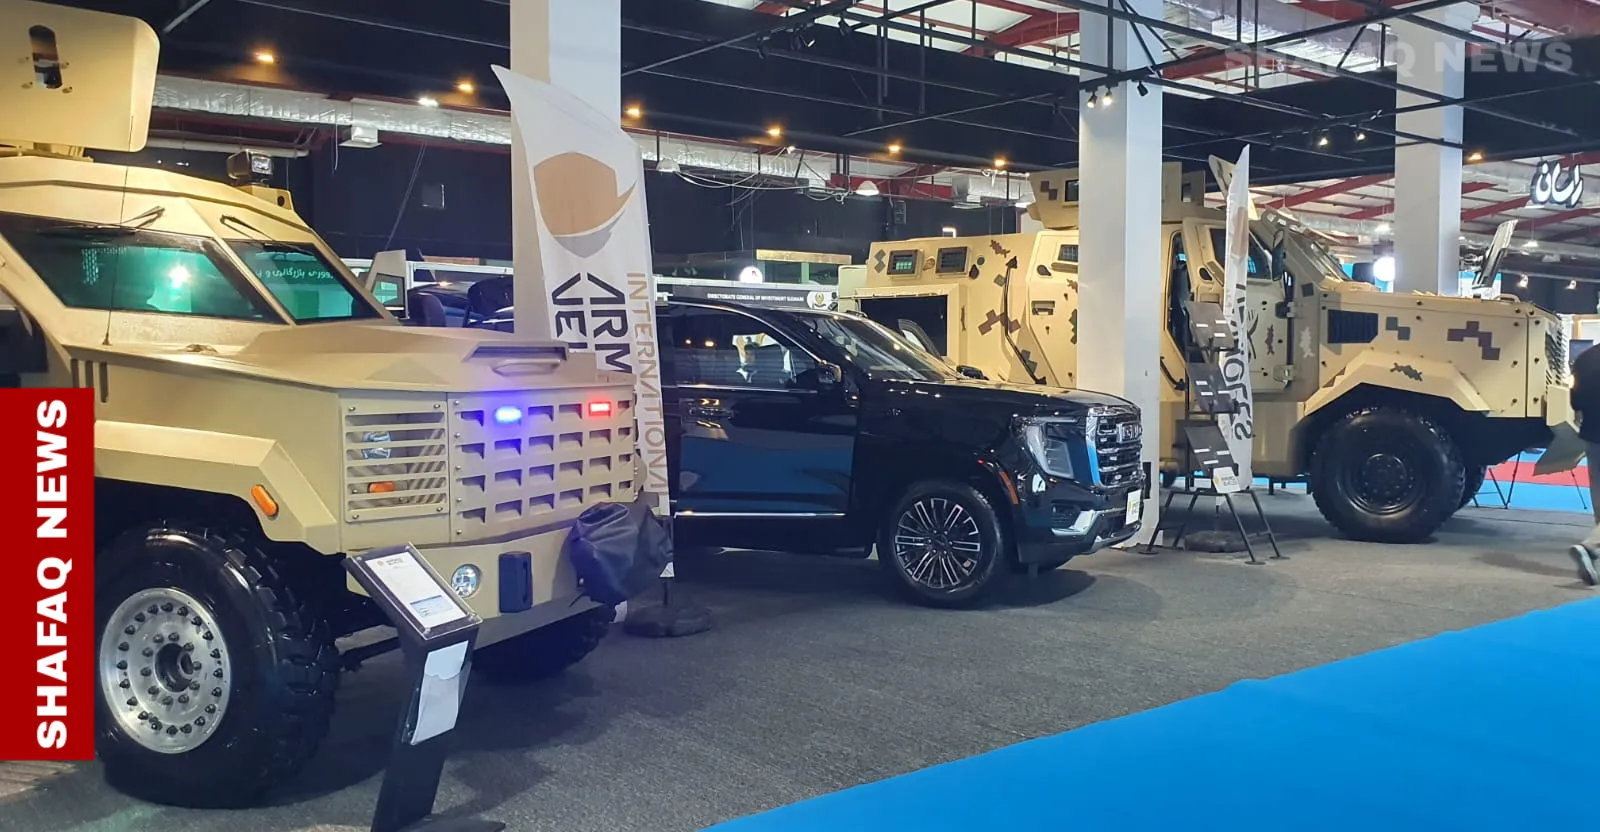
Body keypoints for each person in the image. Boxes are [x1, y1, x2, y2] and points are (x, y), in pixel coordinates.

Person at [1568, 343, 1600, 586]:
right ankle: (1590, 547)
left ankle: (1593, 556)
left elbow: (1575, 400)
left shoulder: (1586, 357)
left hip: (1592, 436)